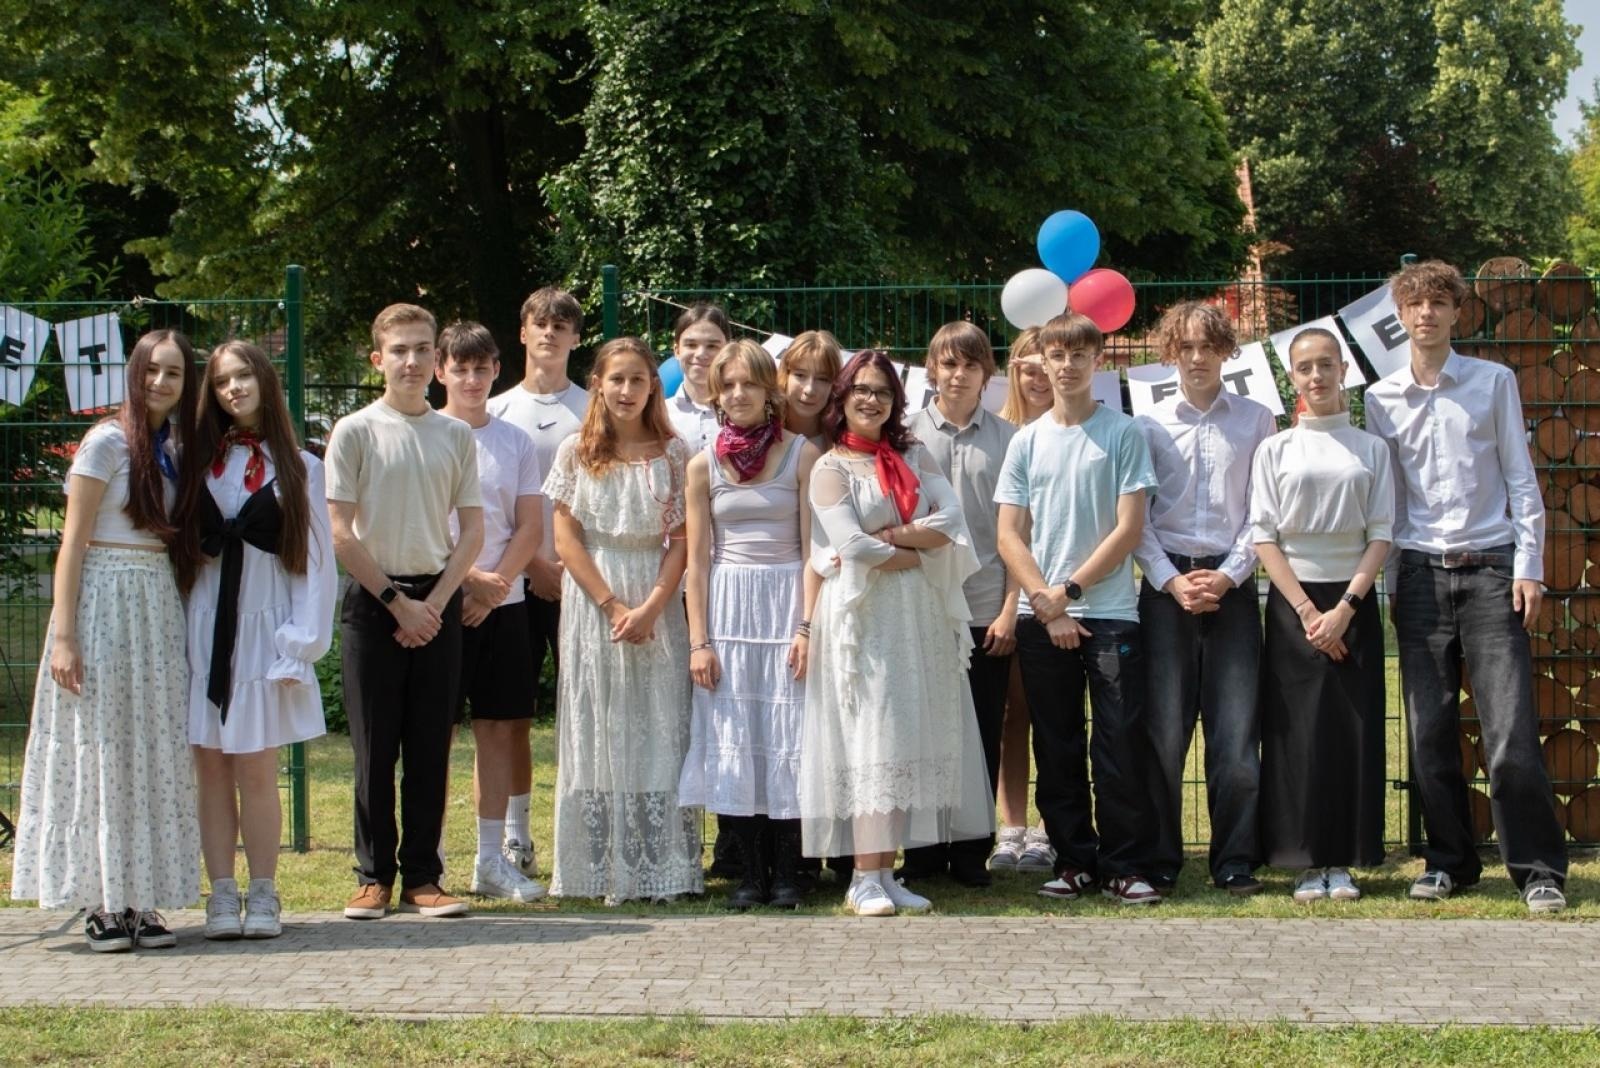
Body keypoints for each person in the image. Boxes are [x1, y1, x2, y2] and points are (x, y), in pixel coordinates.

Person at [1364, 260, 1569, 912]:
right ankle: (1448, 861)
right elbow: (1386, 504)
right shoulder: (1379, 399)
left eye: (1438, 304)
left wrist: (1529, 565)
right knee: (1429, 733)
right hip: (1420, 576)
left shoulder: (1493, 383)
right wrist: (1392, 578)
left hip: (1490, 574)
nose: (1426, 314)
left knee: (1509, 733)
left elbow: (1519, 478)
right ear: (1400, 319)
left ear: (1457, 312)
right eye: (1414, 305)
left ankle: (1538, 871)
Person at [12, 329, 201, 951]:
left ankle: (140, 896)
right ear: (133, 373)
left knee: (149, 745)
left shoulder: (177, 445)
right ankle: (101, 899)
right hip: (103, 601)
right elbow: (71, 543)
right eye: (152, 371)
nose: (161, 383)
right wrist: (64, 635)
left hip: (154, 603)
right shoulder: (106, 442)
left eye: (173, 373)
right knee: (101, 747)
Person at [799, 350, 991, 917]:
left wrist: (888, 536)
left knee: (906, 734)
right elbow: (850, 548)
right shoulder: (830, 466)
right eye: (860, 388)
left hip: (917, 615)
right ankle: (862, 875)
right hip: (864, 617)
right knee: (870, 736)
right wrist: (915, 550)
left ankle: (887, 871)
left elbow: (952, 521)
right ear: (843, 395)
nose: (871, 399)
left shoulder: (913, 453)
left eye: (882, 391)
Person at [995, 312, 1163, 905]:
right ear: (1041, 359)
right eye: (1056, 356)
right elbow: (1009, 535)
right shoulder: (1027, 440)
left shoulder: (1122, 434)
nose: (1066, 367)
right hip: (1041, 620)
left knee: (1118, 742)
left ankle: (1123, 864)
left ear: (1098, 361)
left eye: (1078, 356)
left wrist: (1065, 593)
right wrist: (1045, 605)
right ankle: (1073, 861)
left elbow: (1128, 529)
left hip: (1111, 611)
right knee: (1057, 744)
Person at [173, 340, 335, 940]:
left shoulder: (301, 465)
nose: (234, 389)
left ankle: (264, 891)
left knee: (257, 769)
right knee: (210, 768)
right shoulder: (192, 462)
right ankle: (220, 894)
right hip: (203, 625)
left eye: (243, 376)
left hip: (264, 631)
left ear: (265, 380)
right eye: (221, 382)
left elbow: (316, 563)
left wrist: (299, 641)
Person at [328, 303, 483, 921]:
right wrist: (397, 603)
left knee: (428, 749)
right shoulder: (356, 430)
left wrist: (435, 605)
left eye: (423, 349)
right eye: (400, 350)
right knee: (373, 747)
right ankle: (373, 877)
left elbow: (472, 531)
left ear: (437, 362)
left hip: (436, 604)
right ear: (379, 360)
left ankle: (423, 876)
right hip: (374, 605)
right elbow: (342, 533)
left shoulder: (455, 436)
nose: (412, 361)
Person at [544, 337, 702, 904]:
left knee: (658, 724)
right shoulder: (575, 451)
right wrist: (613, 605)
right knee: (601, 724)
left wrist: (655, 605)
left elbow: (683, 539)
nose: (627, 390)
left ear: (652, 387)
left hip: (657, 597)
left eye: (638, 380)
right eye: (617, 380)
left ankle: (661, 864)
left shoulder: (675, 452)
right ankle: (599, 864)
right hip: (596, 601)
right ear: (599, 385)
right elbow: (566, 538)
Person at [1132, 302, 1275, 896]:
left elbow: (1264, 510)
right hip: (1166, 591)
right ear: (1171, 353)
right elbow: (1135, 518)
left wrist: (1230, 574)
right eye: (1185, 347)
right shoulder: (1146, 425)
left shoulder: (1258, 420)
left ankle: (1235, 859)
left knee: (1236, 736)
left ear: (1225, 353)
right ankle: (1160, 858)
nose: (1196, 358)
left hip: (1232, 590)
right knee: (1162, 735)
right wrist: (1170, 579)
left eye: (1207, 347)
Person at [1250, 328, 1392, 902]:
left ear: (1343, 371)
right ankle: (1305, 859)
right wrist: (1310, 612)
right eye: (1305, 367)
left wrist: (1347, 609)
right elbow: (1263, 536)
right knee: (1297, 734)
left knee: (1352, 730)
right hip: (1293, 603)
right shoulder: (1274, 450)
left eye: (1326, 365)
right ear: (1293, 377)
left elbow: (1382, 532)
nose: (1317, 376)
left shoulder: (1371, 448)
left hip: (1353, 598)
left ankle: (1346, 859)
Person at [679, 340, 821, 909]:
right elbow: (696, 561)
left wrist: (807, 627)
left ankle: (789, 870)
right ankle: (748, 871)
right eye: (728, 385)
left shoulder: (802, 455)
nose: (738, 395)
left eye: (750, 384)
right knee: (737, 736)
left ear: (770, 392)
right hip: (728, 612)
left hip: (786, 602)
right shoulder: (700, 463)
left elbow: (815, 550)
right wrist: (699, 642)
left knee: (787, 737)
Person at [900, 322, 1019, 889]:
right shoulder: (904, 437)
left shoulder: (1009, 438)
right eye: (948, 364)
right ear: (931, 370)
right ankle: (923, 851)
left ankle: (973, 849)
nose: (958, 374)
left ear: (986, 375)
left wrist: (1010, 609)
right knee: (923, 731)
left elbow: (1023, 533)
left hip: (983, 608)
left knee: (979, 729)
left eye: (970, 365)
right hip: (918, 607)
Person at [436, 322, 547, 903]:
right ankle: (424, 861)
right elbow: (422, 527)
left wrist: (497, 583)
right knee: (431, 734)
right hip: (440, 605)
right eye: (461, 369)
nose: (472, 379)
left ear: (495, 370)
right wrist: (466, 584)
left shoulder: (516, 443)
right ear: (440, 371)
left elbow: (529, 524)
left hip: (506, 606)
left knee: (501, 730)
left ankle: (490, 861)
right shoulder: (426, 436)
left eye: (481, 369)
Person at [485, 286, 586, 878]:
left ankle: (584, 832)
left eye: (561, 325)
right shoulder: (494, 410)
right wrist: (533, 566)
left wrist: (571, 570)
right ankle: (515, 839)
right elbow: (491, 511)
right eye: (539, 323)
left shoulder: (595, 405)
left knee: (583, 711)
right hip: (517, 585)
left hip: (582, 585)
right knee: (510, 716)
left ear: (576, 337)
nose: (549, 333)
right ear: (521, 333)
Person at [989, 327, 1055, 875]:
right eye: (1025, 365)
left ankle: (1050, 830)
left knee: (1056, 717)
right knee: (1014, 716)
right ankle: (1010, 829)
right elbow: (1009, 532)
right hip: (1012, 594)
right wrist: (1011, 604)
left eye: (1046, 363)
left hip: (1070, 595)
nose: (1037, 376)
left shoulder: (1086, 428)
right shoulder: (1002, 435)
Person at [666, 303, 732, 451]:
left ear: (727, 350)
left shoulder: (742, 409)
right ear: (677, 350)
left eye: (712, 346)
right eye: (691, 345)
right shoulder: (660, 414)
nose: (701, 354)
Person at [778, 329, 842, 448]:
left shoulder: (841, 441)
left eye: (822, 379)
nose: (810, 390)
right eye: (800, 375)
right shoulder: (762, 433)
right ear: (785, 375)